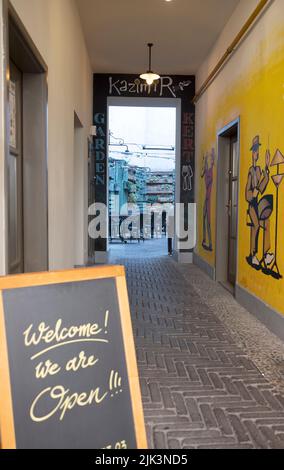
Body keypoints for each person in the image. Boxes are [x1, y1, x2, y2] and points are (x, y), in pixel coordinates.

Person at [245, 136, 274, 269]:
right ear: (252, 153)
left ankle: (266, 253)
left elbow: (262, 186)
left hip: (258, 205)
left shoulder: (259, 170)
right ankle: (253, 254)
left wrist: (267, 167)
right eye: (255, 150)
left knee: (266, 223)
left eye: (258, 150)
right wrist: (253, 193)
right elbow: (247, 194)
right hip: (252, 205)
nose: (257, 152)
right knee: (256, 225)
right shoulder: (251, 171)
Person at [201, 148, 215, 251]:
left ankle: (209, 242)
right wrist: (204, 158)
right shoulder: (206, 170)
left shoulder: (211, 170)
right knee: (204, 216)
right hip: (207, 195)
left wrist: (212, 154)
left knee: (208, 219)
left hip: (209, 196)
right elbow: (201, 173)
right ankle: (205, 239)